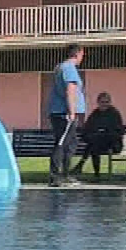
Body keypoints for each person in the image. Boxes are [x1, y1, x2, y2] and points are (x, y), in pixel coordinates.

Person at [46, 45, 86, 186]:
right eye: (82, 55)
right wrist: (72, 112)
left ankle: (65, 174)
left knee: (70, 143)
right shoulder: (69, 68)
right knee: (62, 143)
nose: (82, 58)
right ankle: (56, 176)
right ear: (77, 54)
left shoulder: (60, 68)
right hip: (64, 113)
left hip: (60, 112)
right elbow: (70, 90)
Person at [74, 92, 126, 182]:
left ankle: (82, 165)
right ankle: (95, 173)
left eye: (106, 102)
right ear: (98, 102)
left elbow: (118, 131)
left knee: (94, 143)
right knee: (94, 145)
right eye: (102, 102)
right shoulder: (95, 114)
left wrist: (103, 131)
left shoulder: (114, 114)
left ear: (109, 102)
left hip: (112, 143)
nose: (104, 104)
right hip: (98, 142)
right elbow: (87, 128)